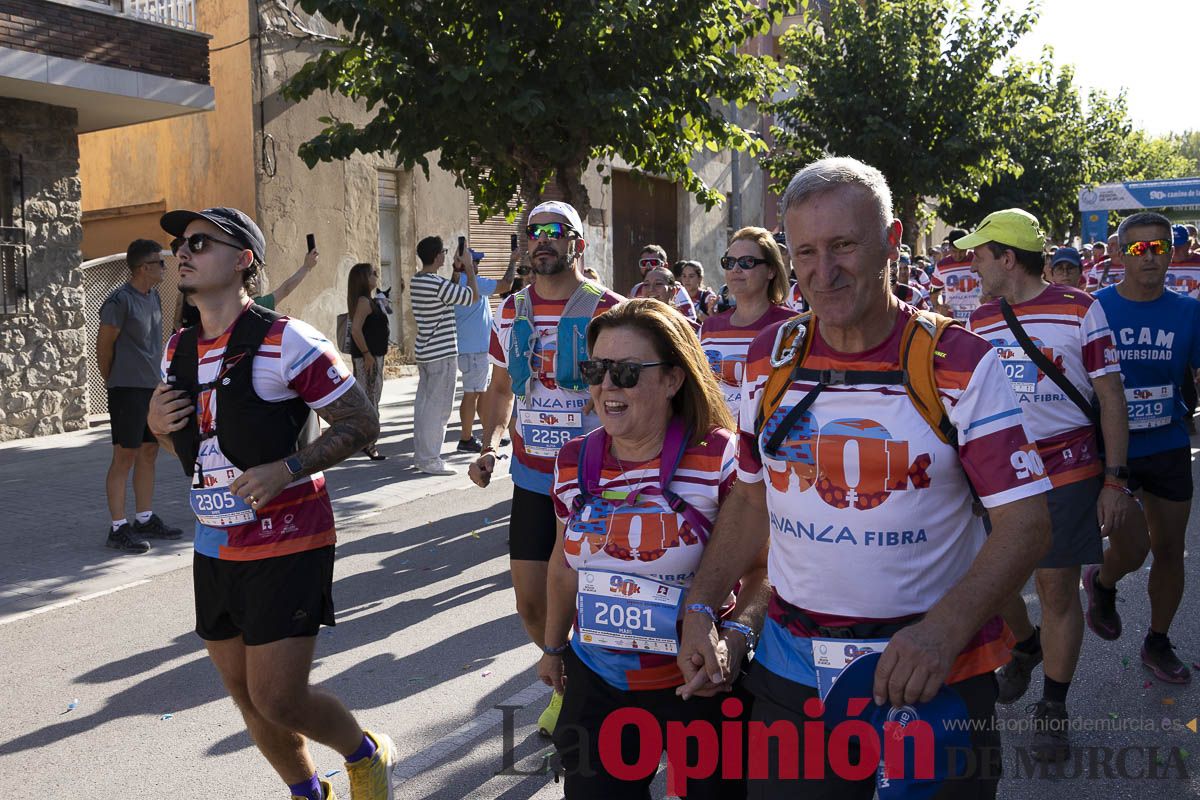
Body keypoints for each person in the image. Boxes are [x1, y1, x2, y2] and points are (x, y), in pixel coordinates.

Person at [677, 158, 1053, 797]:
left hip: (933, 676)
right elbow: (748, 498)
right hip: (794, 676)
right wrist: (700, 605)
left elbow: (1027, 522)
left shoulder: (957, 361)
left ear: (893, 239)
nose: (824, 272)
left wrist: (943, 631)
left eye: (844, 245)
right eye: (806, 252)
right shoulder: (773, 358)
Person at [147, 207, 393, 800]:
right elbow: (187, 438)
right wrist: (154, 425)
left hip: (291, 538)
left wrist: (287, 468)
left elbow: (362, 422)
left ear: (243, 261)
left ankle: (364, 754)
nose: (185, 250)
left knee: (279, 697)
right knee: (246, 695)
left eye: (201, 242)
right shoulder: (177, 347)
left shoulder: (287, 340)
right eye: (181, 242)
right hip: (215, 541)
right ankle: (308, 792)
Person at [539, 298, 763, 798]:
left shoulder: (719, 456)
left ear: (673, 380)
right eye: (596, 368)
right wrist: (554, 648)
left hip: (698, 685)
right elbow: (562, 564)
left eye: (627, 371)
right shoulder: (573, 459)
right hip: (599, 682)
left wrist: (735, 642)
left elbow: (763, 573)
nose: (607, 386)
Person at [963, 208, 1132, 761]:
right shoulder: (981, 319)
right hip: (1000, 472)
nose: (973, 263)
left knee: (1057, 590)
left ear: (1007, 258)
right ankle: (1028, 647)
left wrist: (1114, 479)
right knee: (994, 580)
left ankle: (1053, 708)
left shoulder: (1082, 309)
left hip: (1068, 468)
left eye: (980, 254)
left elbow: (1110, 396)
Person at [470, 201, 623, 737]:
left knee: (584, 598)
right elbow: (501, 388)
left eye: (556, 232)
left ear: (577, 244)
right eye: (534, 232)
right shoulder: (510, 310)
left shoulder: (611, 310)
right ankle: (571, 680)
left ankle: (585, 695)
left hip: (596, 480)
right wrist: (489, 444)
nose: (543, 240)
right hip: (533, 477)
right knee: (533, 603)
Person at [1089, 211, 1200, 685]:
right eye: (1138, 248)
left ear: (1172, 252)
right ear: (1118, 254)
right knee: (1132, 548)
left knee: (1171, 549)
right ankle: (1103, 581)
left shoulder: (1189, 312)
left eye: (1160, 246)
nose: (1150, 256)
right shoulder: (1094, 309)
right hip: (1114, 449)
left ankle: (1157, 639)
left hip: (1168, 443)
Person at [98, 238, 183, 553]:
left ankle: (144, 518)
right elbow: (103, 348)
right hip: (126, 391)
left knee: (149, 452)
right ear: (143, 268)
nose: (164, 266)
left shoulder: (155, 296)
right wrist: (115, 382)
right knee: (124, 457)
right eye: (159, 262)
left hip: (151, 389)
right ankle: (117, 528)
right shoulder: (118, 301)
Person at [699, 227, 795, 421]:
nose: (736, 269)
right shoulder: (709, 328)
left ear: (771, 270)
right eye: (730, 262)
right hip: (716, 440)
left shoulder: (790, 327)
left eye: (747, 262)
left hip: (764, 442)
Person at [410, 235, 479, 475]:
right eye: (444, 251)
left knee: (424, 407)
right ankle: (430, 459)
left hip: (427, 352)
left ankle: (422, 455)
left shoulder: (419, 281)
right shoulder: (435, 284)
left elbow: (446, 295)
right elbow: (472, 297)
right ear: (438, 255)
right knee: (438, 410)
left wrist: (457, 274)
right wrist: (469, 269)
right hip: (442, 354)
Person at [453, 247, 517, 452]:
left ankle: (487, 432)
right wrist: (512, 260)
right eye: (475, 262)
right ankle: (466, 439)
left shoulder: (464, 282)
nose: (478, 266)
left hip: (474, 349)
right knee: (472, 394)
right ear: (465, 264)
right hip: (474, 350)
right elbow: (506, 284)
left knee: (479, 393)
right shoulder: (473, 283)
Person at [347, 262, 389, 460]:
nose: (376, 276)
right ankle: (369, 444)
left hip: (372, 357)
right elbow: (356, 330)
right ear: (363, 278)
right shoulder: (364, 302)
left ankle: (365, 441)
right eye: (373, 273)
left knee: (371, 399)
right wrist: (366, 353)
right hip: (369, 359)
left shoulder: (368, 300)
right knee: (371, 400)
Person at [629, 243, 698, 322]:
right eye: (644, 263)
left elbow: (691, 325)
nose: (648, 266)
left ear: (665, 265)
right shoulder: (636, 289)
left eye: (654, 262)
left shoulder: (678, 290)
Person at [931, 228, 979, 322]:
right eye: (954, 251)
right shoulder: (941, 265)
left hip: (978, 318)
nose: (958, 255)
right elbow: (934, 291)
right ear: (949, 247)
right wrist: (938, 306)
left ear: (968, 247)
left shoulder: (979, 259)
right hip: (952, 320)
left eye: (961, 251)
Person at [642, 265, 700, 332]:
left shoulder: (688, 329)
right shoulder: (634, 324)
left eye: (658, 284)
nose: (651, 289)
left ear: (673, 291)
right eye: (646, 284)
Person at [1168, 223, 1200, 300]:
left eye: (1179, 246)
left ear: (1189, 244)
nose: (1175, 250)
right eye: (1171, 246)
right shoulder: (1158, 262)